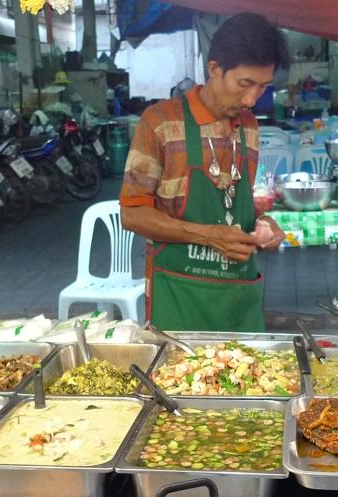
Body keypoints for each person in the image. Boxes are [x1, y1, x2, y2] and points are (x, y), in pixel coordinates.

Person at [119, 13, 289, 332]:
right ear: (214, 69)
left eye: (263, 87)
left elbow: (236, 201)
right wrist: (209, 235)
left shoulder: (249, 127)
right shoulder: (160, 122)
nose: (252, 100)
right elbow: (132, 214)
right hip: (180, 295)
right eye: (244, 84)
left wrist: (265, 223)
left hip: (238, 298)